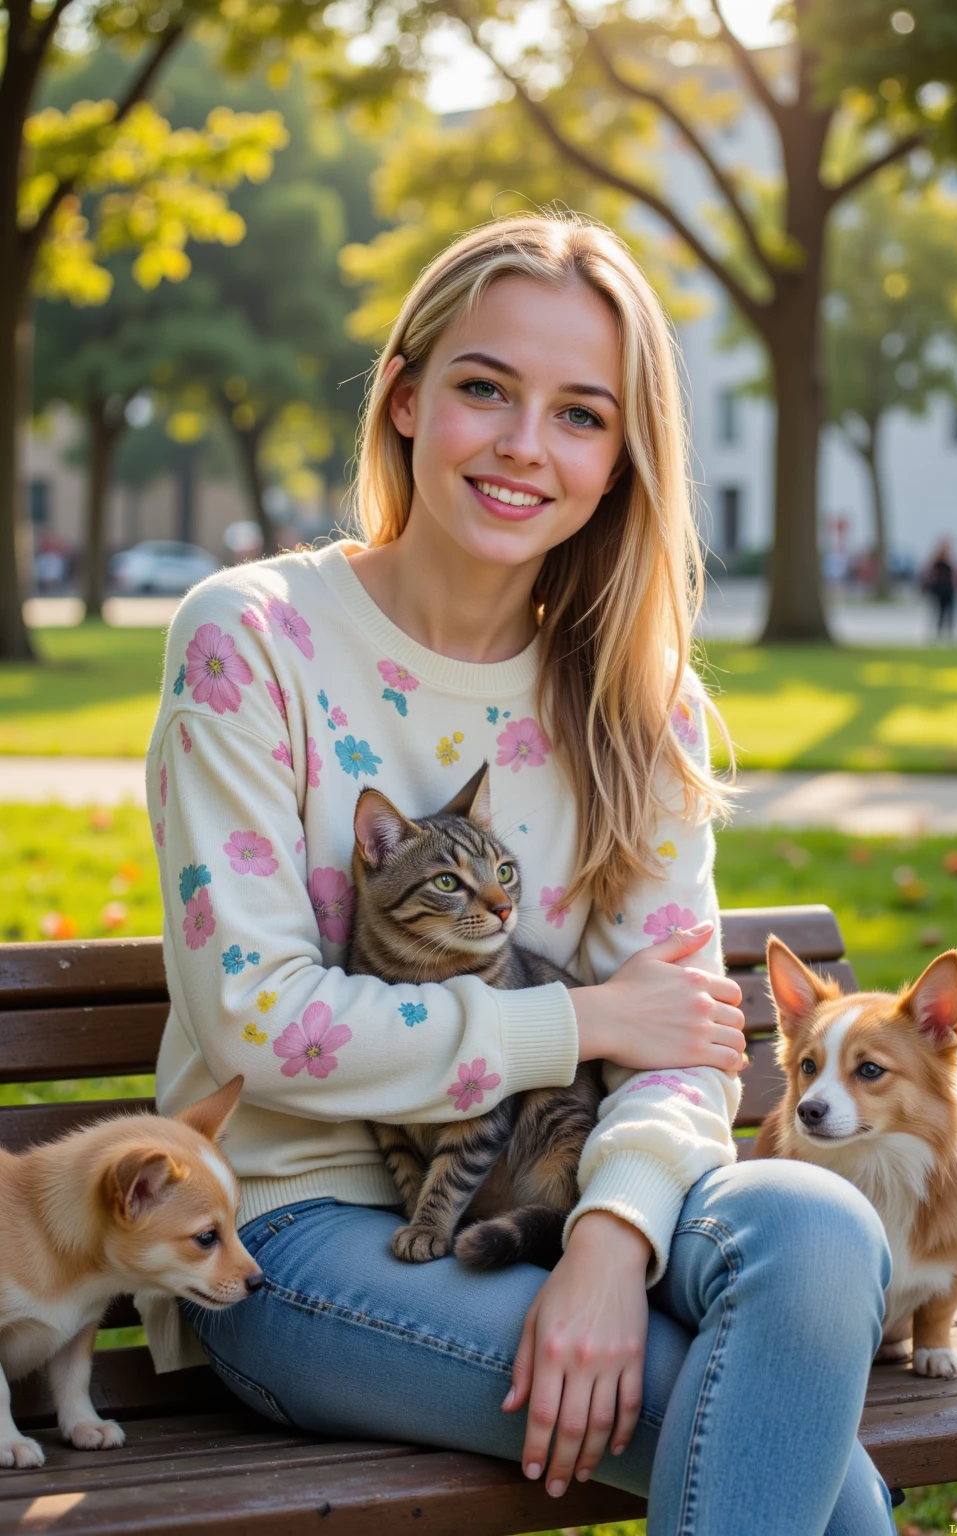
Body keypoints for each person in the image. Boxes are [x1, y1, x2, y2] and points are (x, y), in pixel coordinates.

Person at [142, 214, 895, 1535]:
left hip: (568, 1188)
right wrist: (580, 1020)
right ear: (405, 397)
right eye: (486, 388)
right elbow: (261, 1024)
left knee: (819, 1235)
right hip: (296, 1234)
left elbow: (685, 1049)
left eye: (580, 414)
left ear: (620, 458)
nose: (524, 446)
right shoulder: (252, 639)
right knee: (808, 1466)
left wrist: (612, 1240)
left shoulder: (633, 702)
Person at [922, 540, 957, 639]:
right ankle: (939, 633)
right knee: (940, 613)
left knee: (949, 613)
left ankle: (948, 633)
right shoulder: (937, 563)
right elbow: (932, 577)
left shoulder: (948, 563)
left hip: (948, 590)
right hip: (940, 591)